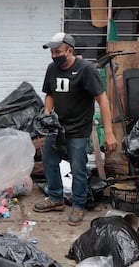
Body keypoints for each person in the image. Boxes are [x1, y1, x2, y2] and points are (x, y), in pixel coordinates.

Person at [33, 32, 117, 226]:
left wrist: (109, 132)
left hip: (79, 128)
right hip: (57, 127)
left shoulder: (86, 69)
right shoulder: (52, 69)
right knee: (49, 161)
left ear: (70, 50)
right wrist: (47, 113)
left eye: (58, 52)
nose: (54, 56)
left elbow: (102, 99)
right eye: (52, 52)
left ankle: (78, 205)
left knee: (77, 168)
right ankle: (55, 198)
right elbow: (50, 93)